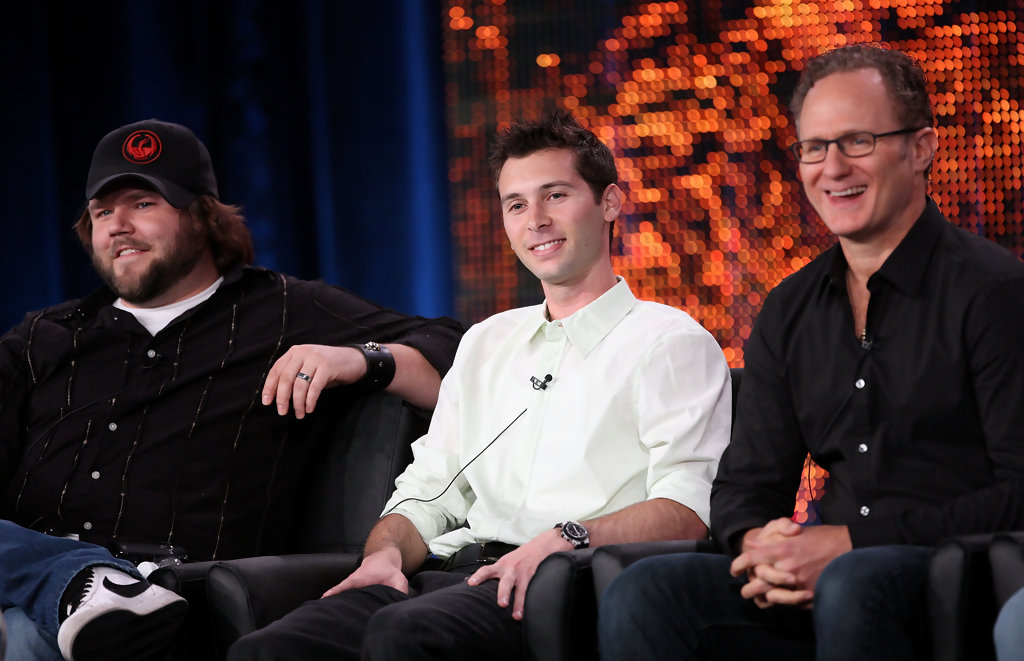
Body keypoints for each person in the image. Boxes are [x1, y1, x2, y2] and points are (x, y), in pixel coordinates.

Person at [226, 110, 732, 660]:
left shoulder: (669, 341)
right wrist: (385, 554)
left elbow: (690, 509)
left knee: (404, 637)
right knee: (270, 650)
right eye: (516, 205)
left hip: (559, 583)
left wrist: (565, 538)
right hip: (454, 572)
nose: (534, 219)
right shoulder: (488, 341)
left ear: (609, 203)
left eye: (555, 195)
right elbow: (430, 488)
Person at [598, 43, 1024, 661]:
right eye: (814, 147)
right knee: (646, 591)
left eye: (858, 141)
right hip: (831, 575)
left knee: (856, 581)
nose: (832, 167)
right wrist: (758, 547)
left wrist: (849, 543)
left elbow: (1020, 488)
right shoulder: (789, 308)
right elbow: (747, 482)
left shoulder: (992, 292)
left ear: (922, 148)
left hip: (959, 570)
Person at [0, 119, 464, 661]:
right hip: (21, 585)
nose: (118, 226)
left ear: (201, 217)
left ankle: (97, 587)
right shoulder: (43, 337)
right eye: (103, 212)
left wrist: (358, 358)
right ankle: (79, 579)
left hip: (172, 594)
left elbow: (458, 350)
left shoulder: (286, 311)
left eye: (143, 204)